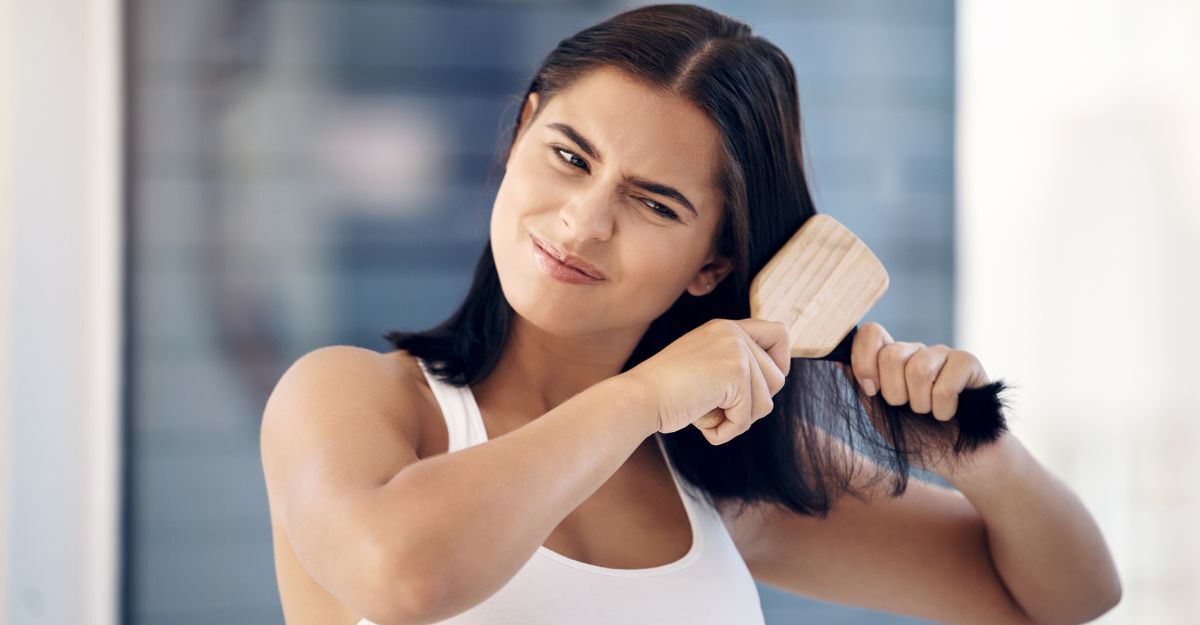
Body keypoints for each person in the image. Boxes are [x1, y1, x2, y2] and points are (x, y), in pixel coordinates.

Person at [259, 4, 1122, 625]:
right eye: (569, 156)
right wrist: (641, 396)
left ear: (714, 260)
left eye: (655, 203)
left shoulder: (717, 480)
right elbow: (404, 578)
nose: (583, 221)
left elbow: (1070, 599)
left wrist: (982, 458)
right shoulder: (352, 398)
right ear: (521, 130)